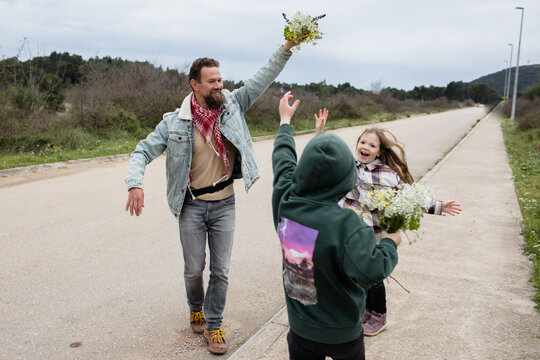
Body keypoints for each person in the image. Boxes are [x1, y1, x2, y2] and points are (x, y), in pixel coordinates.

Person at [124, 39, 298, 355]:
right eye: (212, 81)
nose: (219, 85)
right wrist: (135, 183)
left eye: (220, 80)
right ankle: (196, 306)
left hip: (225, 203)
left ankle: (215, 326)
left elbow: (263, 77)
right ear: (195, 84)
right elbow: (142, 150)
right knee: (194, 269)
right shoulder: (174, 122)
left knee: (221, 271)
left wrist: (286, 47)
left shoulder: (231, 105)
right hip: (191, 204)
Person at [272, 91, 402, 360]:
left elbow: (283, 162)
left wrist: (285, 121)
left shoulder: (285, 201)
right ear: (347, 178)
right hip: (342, 333)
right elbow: (371, 272)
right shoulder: (348, 225)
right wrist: (390, 242)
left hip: (300, 329)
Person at [315, 114, 462, 337]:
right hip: (348, 232)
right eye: (362, 142)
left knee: (372, 276)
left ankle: (379, 316)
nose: (365, 147)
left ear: (380, 151)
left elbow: (410, 196)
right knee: (354, 274)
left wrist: (439, 207)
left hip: (373, 234)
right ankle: (365, 311)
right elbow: (328, 157)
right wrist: (320, 133)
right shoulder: (349, 166)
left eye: (372, 145)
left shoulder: (388, 175)